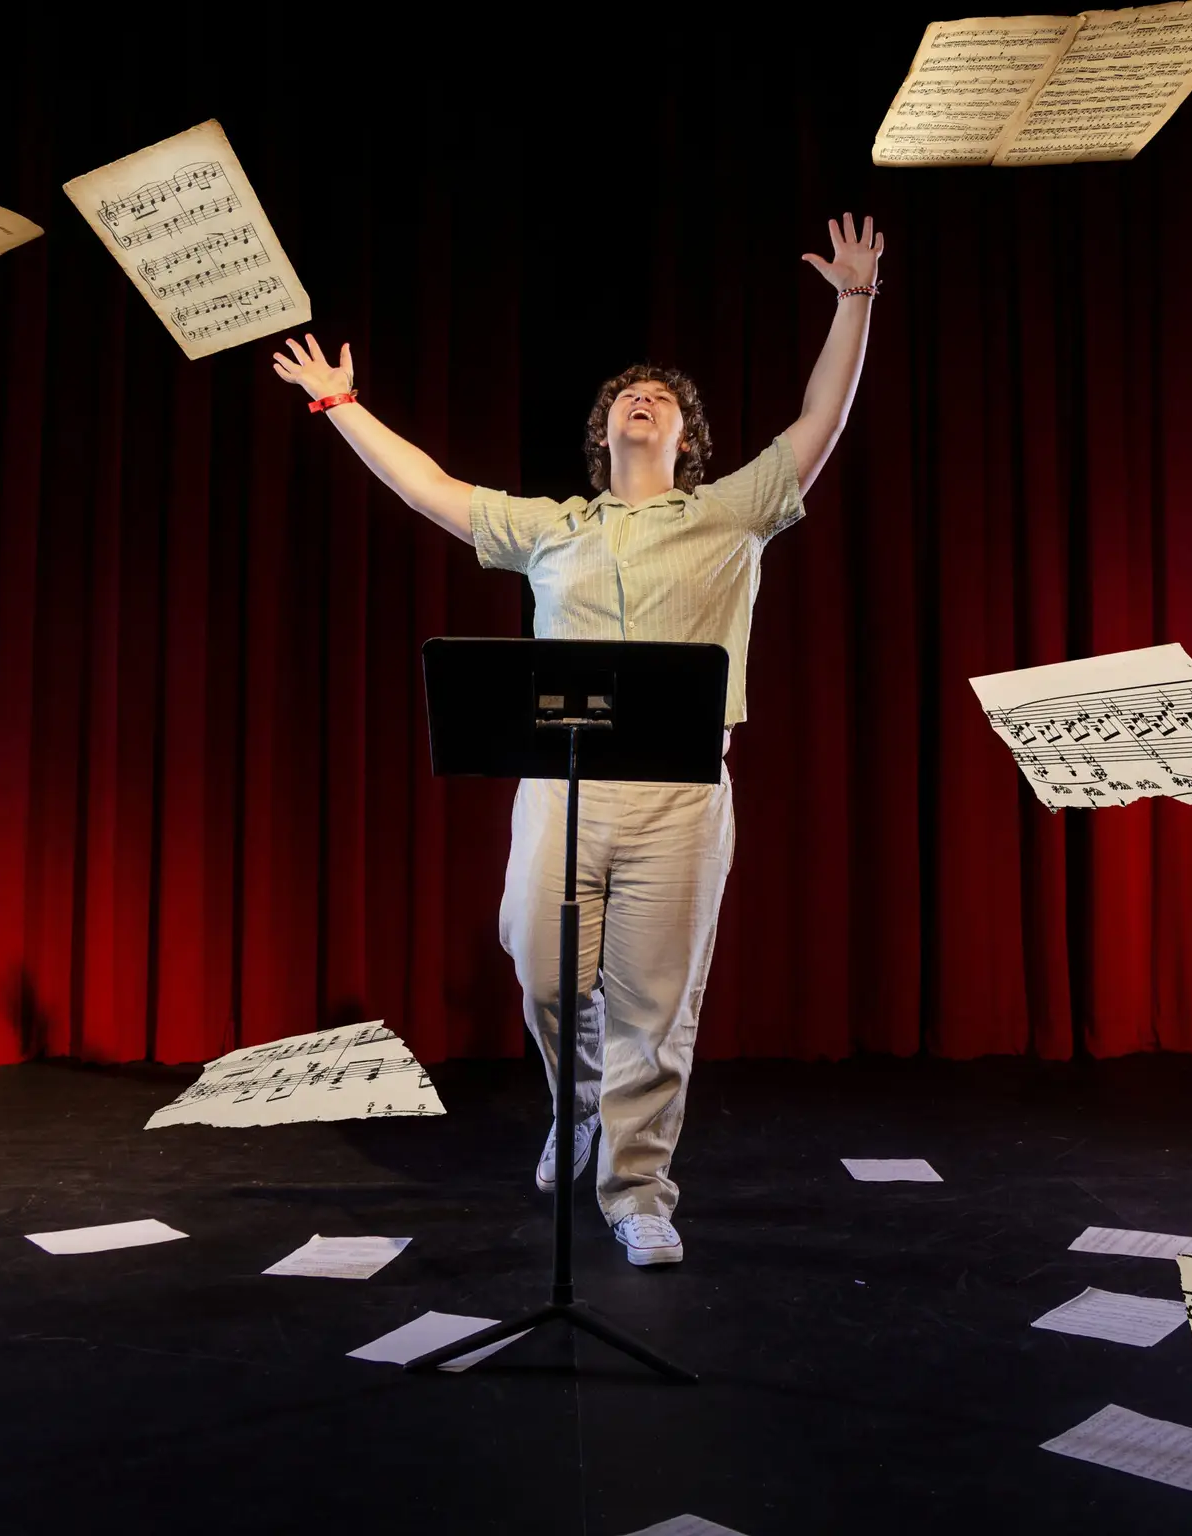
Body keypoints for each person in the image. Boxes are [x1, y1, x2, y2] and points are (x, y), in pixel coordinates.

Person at [272, 213, 884, 1266]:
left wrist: (855, 299)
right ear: (604, 434)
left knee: (657, 1007)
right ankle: (581, 1104)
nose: (643, 398)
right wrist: (340, 405)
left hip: (680, 794)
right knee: (545, 971)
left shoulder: (731, 513)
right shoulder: (553, 528)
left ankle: (638, 1190)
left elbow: (820, 419)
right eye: (626, 395)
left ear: (685, 438)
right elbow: (430, 488)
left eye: (663, 398)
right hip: (563, 784)